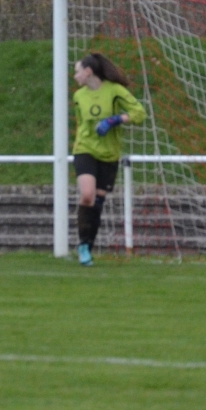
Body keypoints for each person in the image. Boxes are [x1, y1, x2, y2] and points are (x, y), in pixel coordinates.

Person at [71, 52, 145, 266]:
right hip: (84, 149)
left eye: (77, 72)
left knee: (98, 202)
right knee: (87, 195)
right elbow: (81, 124)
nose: (75, 76)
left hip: (109, 153)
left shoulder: (114, 91)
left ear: (88, 71)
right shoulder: (79, 96)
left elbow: (139, 113)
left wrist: (115, 120)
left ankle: (88, 247)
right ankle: (83, 245)